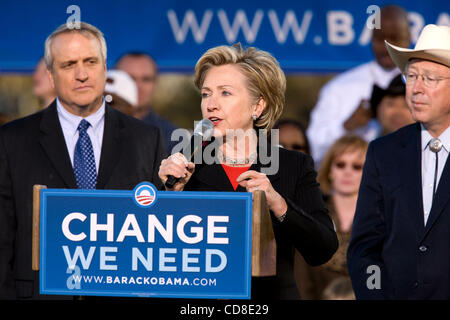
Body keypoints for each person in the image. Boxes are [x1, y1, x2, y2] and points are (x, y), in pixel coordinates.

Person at [158, 43, 338, 300]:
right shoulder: (185, 165)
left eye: (225, 93)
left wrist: (278, 203)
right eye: (206, 94)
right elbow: (157, 253)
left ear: (258, 106)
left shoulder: (293, 165)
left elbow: (322, 249)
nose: (211, 104)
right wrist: (170, 193)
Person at [0, 22, 165, 299]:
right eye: (68, 65)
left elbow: (157, 233)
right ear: (51, 75)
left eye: (90, 61)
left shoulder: (147, 138)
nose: (81, 74)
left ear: (104, 68)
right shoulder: (12, 140)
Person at [347, 24, 450, 299]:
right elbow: (365, 249)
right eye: (411, 76)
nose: (416, 88)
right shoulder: (384, 153)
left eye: (430, 78)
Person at [307, 5, 410, 166]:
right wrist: (346, 127)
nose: (387, 46)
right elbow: (311, 148)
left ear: (409, 38)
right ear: (370, 39)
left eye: (395, 37)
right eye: (380, 39)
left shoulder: (428, 84)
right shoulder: (340, 88)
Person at [298, 136, 367, 299]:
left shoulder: (382, 219)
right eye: (340, 164)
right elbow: (301, 278)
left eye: (357, 166)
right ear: (330, 170)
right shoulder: (310, 215)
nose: (347, 172)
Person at [116, 52, 178, 154]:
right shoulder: (92, 128)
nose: (138, 86)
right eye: (130, 78)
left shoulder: (172, 137)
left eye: (146, 79)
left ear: (155, 84)